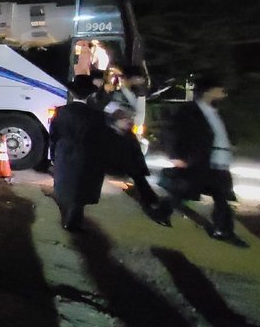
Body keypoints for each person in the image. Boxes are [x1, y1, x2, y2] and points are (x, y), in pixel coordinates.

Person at [161, 72, 239, 242]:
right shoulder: (189, 111)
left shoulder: (216, 111)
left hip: (218, 161)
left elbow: (220, 133)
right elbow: (172, 132)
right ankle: (162, 211)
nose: (223, 93)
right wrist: (176, 155)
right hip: (199, 160)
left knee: (221, 197)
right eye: (220, 90)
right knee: (184, 191)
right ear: (208, 91)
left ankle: (224, 230)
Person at [104, 65, 171, 225]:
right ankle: (150, 201)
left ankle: (150, 199)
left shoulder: (131, 93)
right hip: (118, 138)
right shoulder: (118, 93)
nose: (140, 81)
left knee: (136, 171)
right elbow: (109, 110)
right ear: (128, 79)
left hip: (127, 137)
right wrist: (121, 117)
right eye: (138, 78)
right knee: (136, 171)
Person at [49, 74, 110, 231]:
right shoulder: (97, 115)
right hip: (86, 156)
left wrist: (53, 154)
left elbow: (54, 134)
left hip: (64, 153)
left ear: (72, 93)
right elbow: (101, 139)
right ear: (90, 94)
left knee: (66, 186)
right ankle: (73, 220)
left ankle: (68, 216)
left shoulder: (61, 111)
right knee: (80, 189)